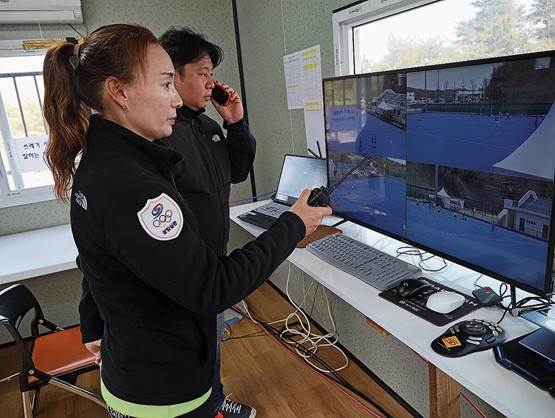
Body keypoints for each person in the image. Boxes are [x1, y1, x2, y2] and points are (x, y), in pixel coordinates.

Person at [42, 23, 331, 418]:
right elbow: (212, 287)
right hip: (163, 388)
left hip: (150, 350)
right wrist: (293, 224)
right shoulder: (132, 185)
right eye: (165, 85)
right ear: (119, 90)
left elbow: (98, 258)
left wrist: (93, 323)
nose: (175, 100)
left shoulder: (109, 161)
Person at [158, 26, 255, 418]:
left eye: (211, 72)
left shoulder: (208, 126)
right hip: (184, 266)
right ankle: (202, 404)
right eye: (201, 72)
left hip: (215, 259)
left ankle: (214, 400)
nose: (211, 81)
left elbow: (238, 170)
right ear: (172, 76)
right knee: (191, 349)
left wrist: (235, 122)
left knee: (211, 340)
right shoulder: (161, 135)